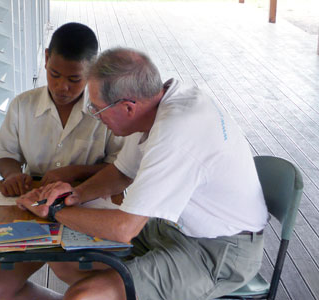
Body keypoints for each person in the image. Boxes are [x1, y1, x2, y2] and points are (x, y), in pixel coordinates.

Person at [18, 47, 269, 300]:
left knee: (85, 296)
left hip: (221, 250)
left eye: (97, 109)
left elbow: (124, 229)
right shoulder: (156, 104)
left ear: (128, 107)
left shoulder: (175, 133)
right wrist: (75, 195)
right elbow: (121, 174)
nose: (95, 117)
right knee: (67, 262)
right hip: (174, 229)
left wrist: (55, 210)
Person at [0, 23, 124, 300]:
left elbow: (120, 170)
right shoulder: (23, 105)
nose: (62, 87)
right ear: (45, 58)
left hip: (87, 210)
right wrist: (11, 175)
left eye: (74, 79)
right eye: (54, 74)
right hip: (30, 210)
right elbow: (7, 155)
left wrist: (76, 172)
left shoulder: (107, 112)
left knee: (87, 285)